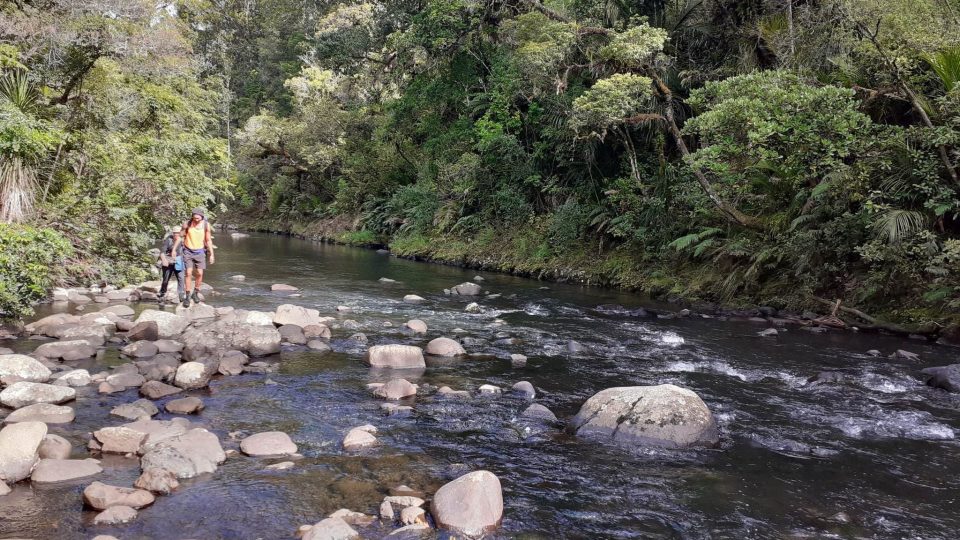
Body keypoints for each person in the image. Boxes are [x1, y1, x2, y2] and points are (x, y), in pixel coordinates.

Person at [180, 207, 215, 307]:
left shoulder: (205, 225)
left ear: (202, 217)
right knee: (188, 273)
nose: (196, 220)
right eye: (194, 218)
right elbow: (181, 235)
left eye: (198, 218)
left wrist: (212, 254)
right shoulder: (188, 223)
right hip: (188, 251)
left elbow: (208, 240)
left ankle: (195, 293)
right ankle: (187, 296)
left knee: (199, 273)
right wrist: (184, 228)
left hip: (200, 252)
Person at [158, 226, 185, 306]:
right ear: (172, 233)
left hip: (179, 261)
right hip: (168, 261)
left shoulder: (183, 239)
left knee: (181, 278)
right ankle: (162, 293)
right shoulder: (168, 239)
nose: (176, 234)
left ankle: (181, 294)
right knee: (165, 279)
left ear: (180, 233)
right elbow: (162, 252)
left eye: (177, 233)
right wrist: (164, 260)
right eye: (174, 233)